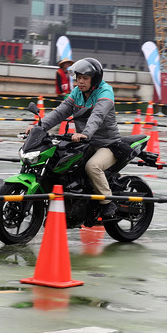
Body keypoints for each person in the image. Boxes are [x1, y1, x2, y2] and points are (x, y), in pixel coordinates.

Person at [28, 57, 128, 218]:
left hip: (107, 144)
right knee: (61, 164)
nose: (80, 82)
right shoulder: (77, 93)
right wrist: (38, 128)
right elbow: (59, 112)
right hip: (84, 142)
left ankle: (107, 202)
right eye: (78, 78)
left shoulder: (105, 92)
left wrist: (85, 133)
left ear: (94, 79)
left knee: (92, 166)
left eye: (85, 78)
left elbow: (98, 115)